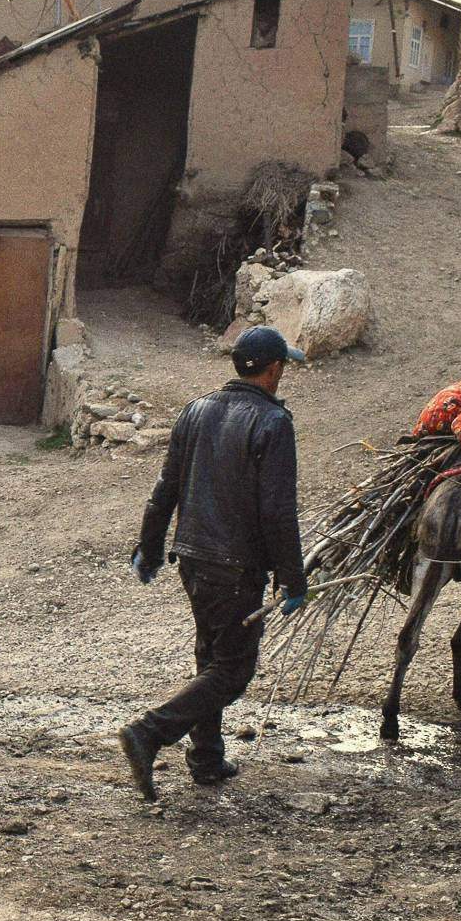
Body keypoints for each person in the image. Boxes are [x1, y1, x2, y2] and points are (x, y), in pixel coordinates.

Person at [116, 327, 309, 797]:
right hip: (236, 567)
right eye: (283, 365)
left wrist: (150, 546)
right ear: (275, 368)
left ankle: (206, 757)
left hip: (194, 559)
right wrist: (292, 578)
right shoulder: (273, 422)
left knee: (211, 655)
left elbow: (166, 487)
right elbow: (276, 511)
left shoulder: (196, 409)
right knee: (233, 668)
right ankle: (150, 732)